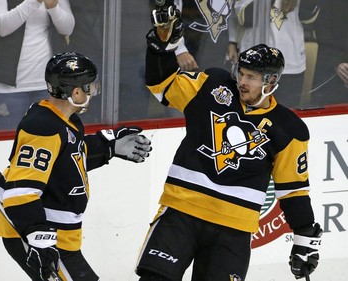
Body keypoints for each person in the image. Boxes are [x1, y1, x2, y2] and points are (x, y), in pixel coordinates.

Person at [136, 8, 322, 281]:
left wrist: (305, 236)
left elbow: (293, 191)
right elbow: (161, 86)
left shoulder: (289, 129)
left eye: (251, 77)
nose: (242, 82)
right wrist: (161, 47)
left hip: (233, 228)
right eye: (241, 73)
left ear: (271, 82)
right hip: (181, 212)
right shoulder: (212, 86)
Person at [0, 52, 152, 281]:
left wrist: (109, 147)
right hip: (42, 233)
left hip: (62, 235)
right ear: (75, 92)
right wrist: (38, 238)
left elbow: (67, 160)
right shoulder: (42, 126)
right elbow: (21, 190)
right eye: (90, 86)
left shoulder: (64, 119)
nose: (92, 92)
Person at [0, 0, 74, 131]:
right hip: (4, 89)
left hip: (46, 85)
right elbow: (0, 26)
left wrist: (53, 8)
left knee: (47, 146)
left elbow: (67, 28)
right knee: (5, 147)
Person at [227, 0, 320, 108]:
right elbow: (245, 18)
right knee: (251, 115)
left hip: (290, 62)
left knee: (285, 116)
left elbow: (308, 17)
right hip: (254, 64)